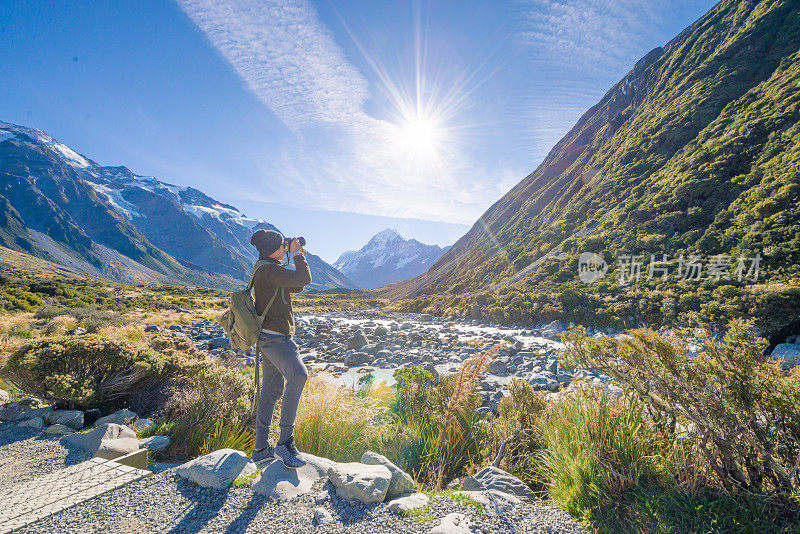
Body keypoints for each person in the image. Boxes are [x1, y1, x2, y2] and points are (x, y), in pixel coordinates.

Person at [249, 229, 312, 468]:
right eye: (283, 245)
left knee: (271, 391)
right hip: (277, 339)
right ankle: (285, 443)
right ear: (275, 248)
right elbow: (303, 279)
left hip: (268, 338)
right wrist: (298, 257)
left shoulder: (266, 268)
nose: (286, 247)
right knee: (299, 376)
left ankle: (261, 448)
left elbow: (296, 286)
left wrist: (295, 257)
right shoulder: (268, 270)